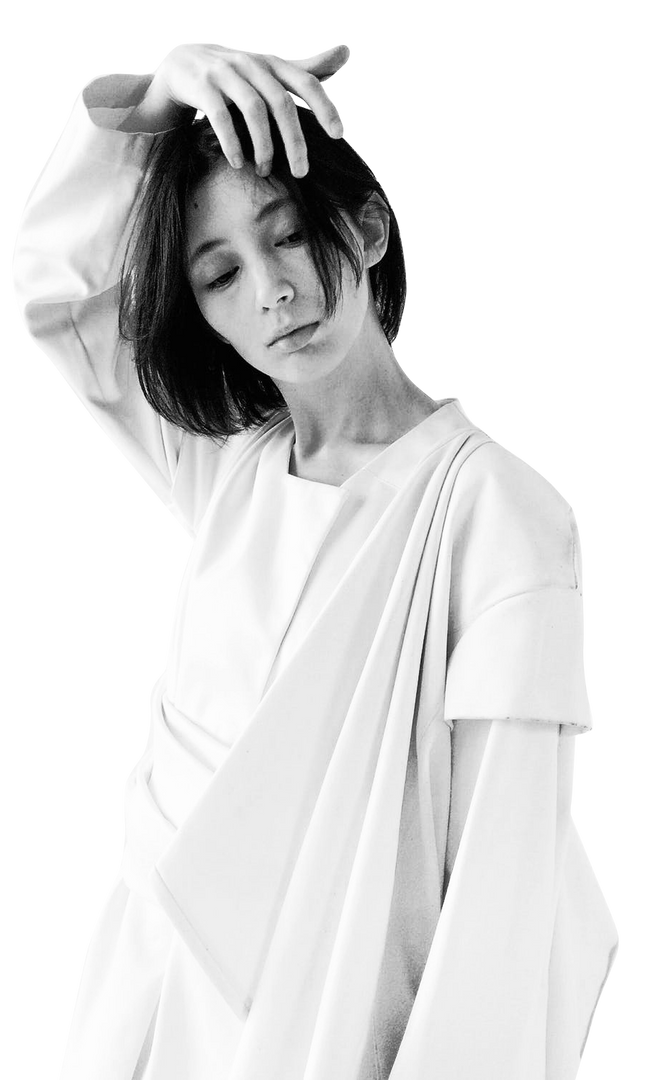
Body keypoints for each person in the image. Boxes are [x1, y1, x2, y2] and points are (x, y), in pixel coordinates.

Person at [11, 40, 620, 1080]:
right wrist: (155, 92)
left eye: (289, 235)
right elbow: (61, 293)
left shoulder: (503, 513)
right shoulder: (225, 471)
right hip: (147, 1003)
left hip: (336, 1023)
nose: (272, 290)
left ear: (368, 226)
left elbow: (502, 887)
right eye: (219, 273)